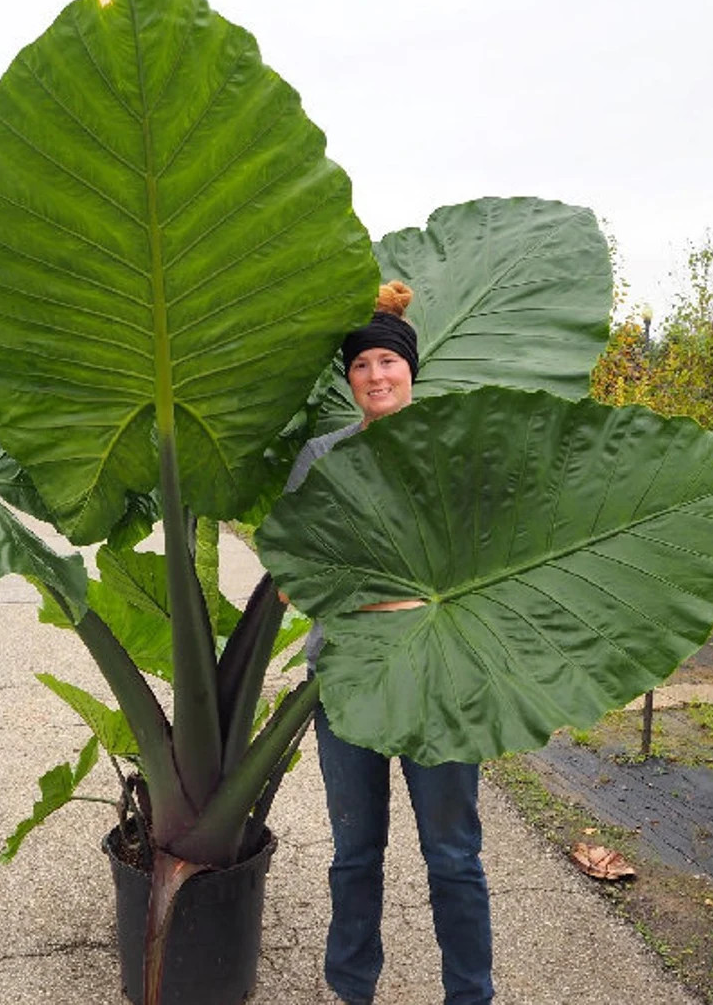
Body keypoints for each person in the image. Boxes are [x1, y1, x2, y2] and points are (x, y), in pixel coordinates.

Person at [284, 281, 494, 1005]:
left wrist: (385, 587)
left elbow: (476, 568)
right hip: (346, 677)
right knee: (354, 852)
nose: (377, 375)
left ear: (411, 369)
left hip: (439, 681)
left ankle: (471, 994)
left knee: (454, 854)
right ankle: (351, 986)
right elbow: (295, 573)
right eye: (363, 364)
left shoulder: (453, 452)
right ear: (351, 379)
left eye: (388, 362)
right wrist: (397, 591)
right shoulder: (323, 454)